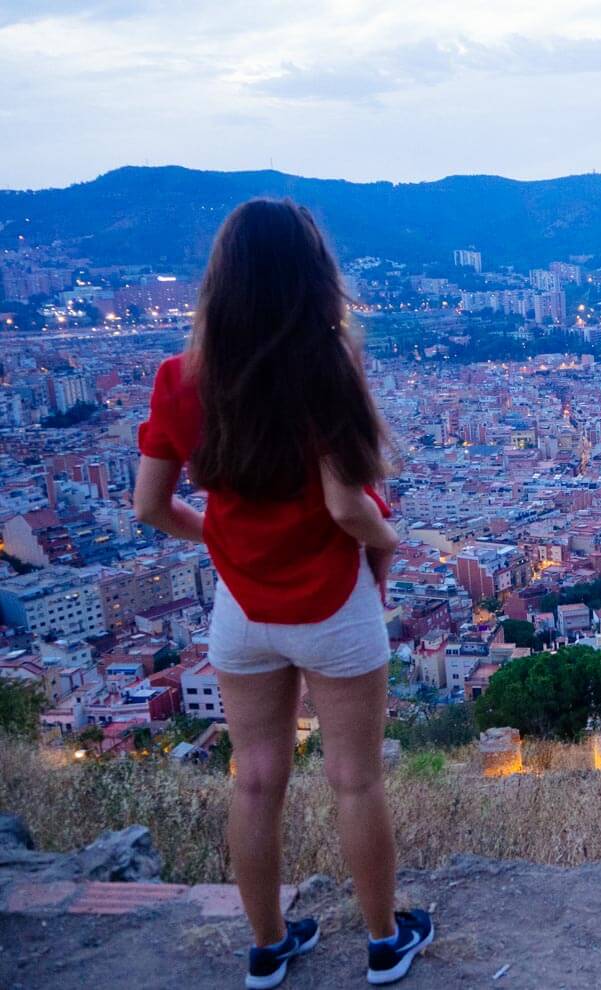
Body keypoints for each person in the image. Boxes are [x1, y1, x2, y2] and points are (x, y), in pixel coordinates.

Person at [134, 199, 432, 988]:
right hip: (334, 605)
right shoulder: (327, 370)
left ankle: (267, 948)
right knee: (354, 779)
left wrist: (223, 539)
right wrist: (388, 541)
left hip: (243, 615)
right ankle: (383, 940)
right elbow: (344, 506)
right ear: (313, 279)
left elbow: (149, 506)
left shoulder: (180, 379)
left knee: (257, 777)